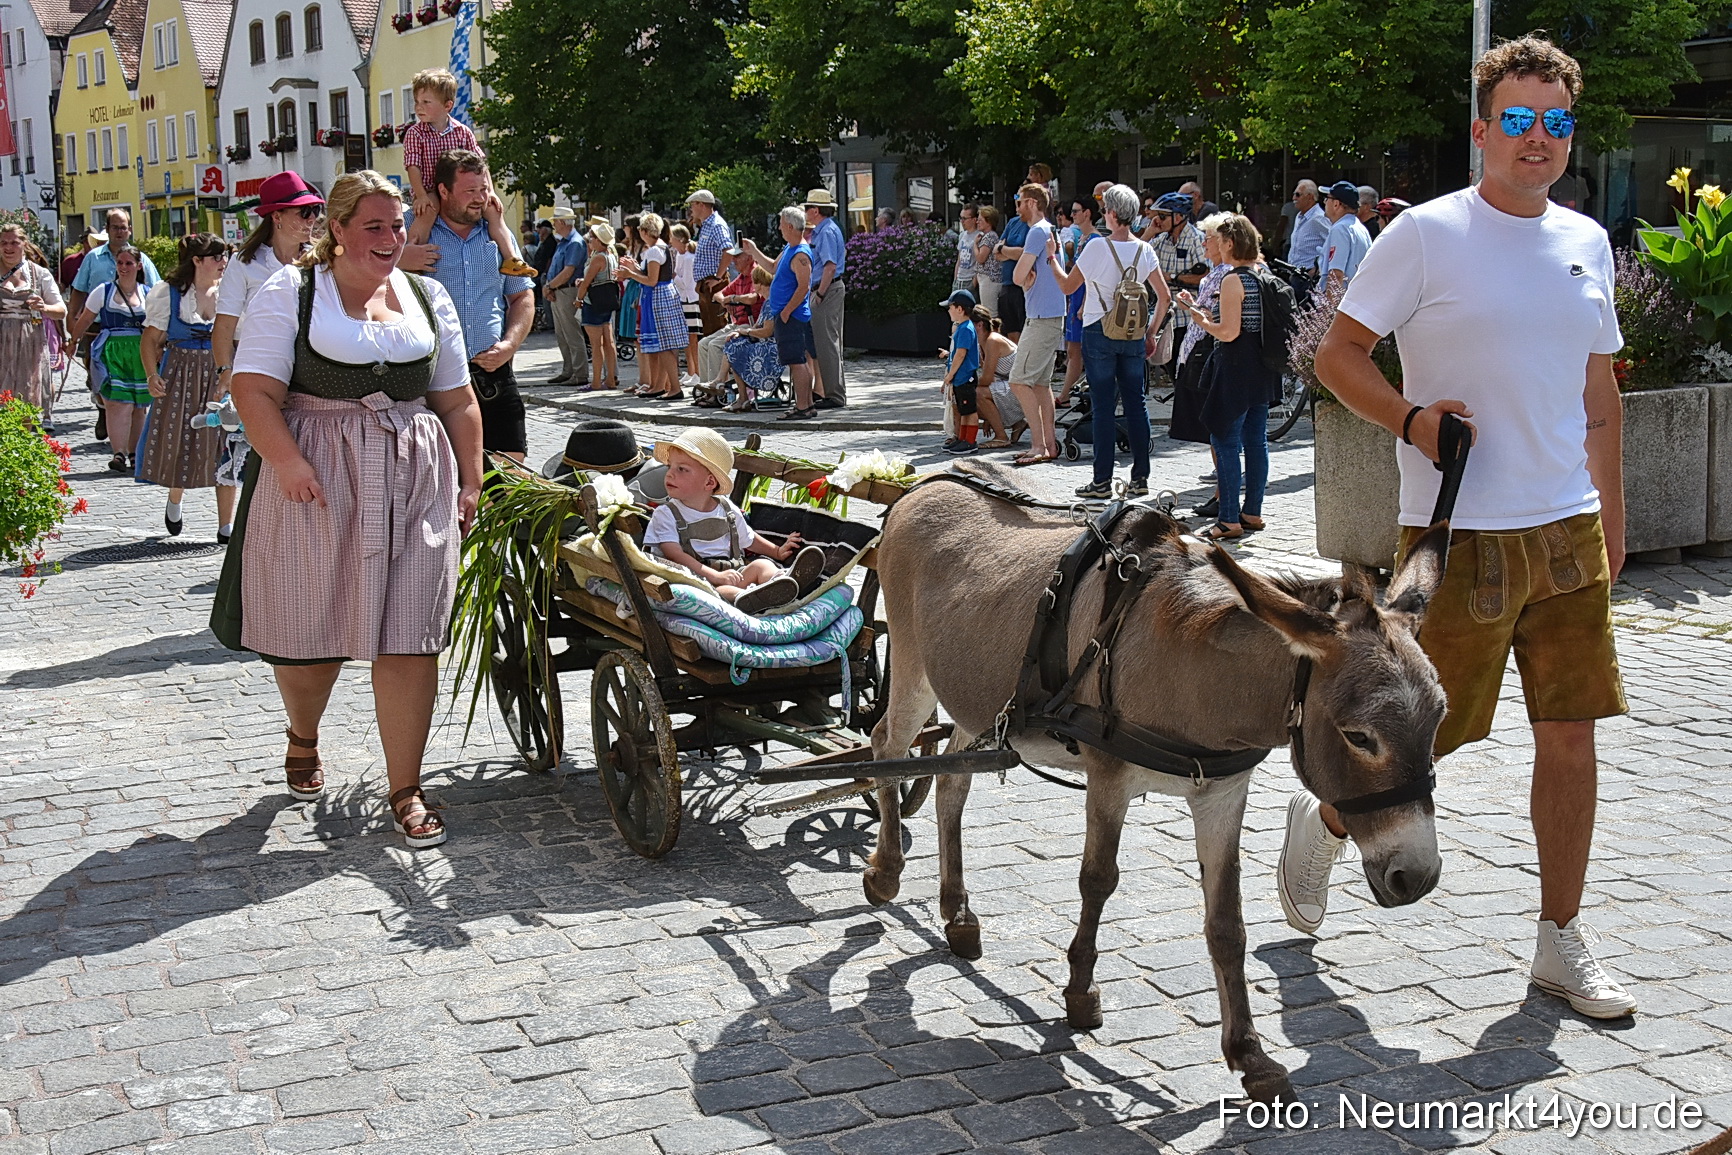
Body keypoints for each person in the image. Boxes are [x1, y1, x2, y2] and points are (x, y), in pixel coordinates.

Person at [1291, 36, 1635, 1021]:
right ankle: (1323, 818)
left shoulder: (1581, 242)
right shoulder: (1426, 237)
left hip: (1565, 529)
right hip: (1459, 537)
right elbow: (1338, 356)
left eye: (1555, 123)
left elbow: (1598, 395)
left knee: (1570, 740)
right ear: (1481, 130)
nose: (1537, 140)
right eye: (1517, 122)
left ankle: (1558, 943)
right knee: (1417, 742)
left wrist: (1611, 518)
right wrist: (1411, 420)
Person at [217, 169, 483, 851]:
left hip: (415, 475)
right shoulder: (293, 293)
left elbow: (455, 398)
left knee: (410, 632)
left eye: (397, 225)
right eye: (374, 226)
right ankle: (302, 734)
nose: (392, 239)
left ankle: (406, 787)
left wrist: (472, 480)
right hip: (321, 477)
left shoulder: (428, 295)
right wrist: (288, 462)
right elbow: (252, 391)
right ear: (335, 230)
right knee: (314, 635)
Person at [399, 150, 535, 459]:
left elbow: (522, 296)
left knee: (511, 471)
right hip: (431, 376)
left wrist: (510, 344)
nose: (480, 198)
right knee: (445, 476)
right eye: (470, 191)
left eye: (484, 189)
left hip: (492, 371)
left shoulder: (497, 233)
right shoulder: (412, 227)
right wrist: (403, 257)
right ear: (443, 191)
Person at [212, 172, 325, 542]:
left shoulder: (322, 260)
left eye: (314, 212)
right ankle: (259, 537)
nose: (311, 221)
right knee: (263, 456)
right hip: (261, 371)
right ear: (276, 217)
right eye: (303, 213)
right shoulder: (246, 264)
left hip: (312, 368)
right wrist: (226, 371)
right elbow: (224, 327)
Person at [1050, 183, 1172, 499]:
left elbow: (1066, 287)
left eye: (1105, 209)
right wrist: (1151, 332)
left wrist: (1052, 259)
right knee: (1136, 404)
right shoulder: (1146, 250)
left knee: (1103, 406)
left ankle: (1102, 481)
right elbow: (1164, 296)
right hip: (1133, 334)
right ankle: (1140, 477)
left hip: (1098, 331)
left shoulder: (1096, 247)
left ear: (1113, 214)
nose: (1103, 213)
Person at [645, 428, 825, 614]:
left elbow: (749, 538)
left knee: (761, 565)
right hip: (698, 581)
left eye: (681, 469)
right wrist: (715, 577)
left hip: (732, 571)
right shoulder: (666, 514)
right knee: (722, 592)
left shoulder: (725, 508)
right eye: (670, 467)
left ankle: (784, 584)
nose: (670, 474)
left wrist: (777, 552)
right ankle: (752, 598)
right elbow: (674, 554)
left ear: (709, 483)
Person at [1175, 214, 1276, 539]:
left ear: (1230, 243)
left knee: (1225, 439)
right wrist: (1203, 314)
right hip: (1262, 366)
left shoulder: (1233, 280)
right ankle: (1253, 512)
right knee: (1256, 441)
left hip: (1235, 367)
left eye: (1219, 240)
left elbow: (1229, 333)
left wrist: (1201, 322)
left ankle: (1229, 518)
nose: (1215, 245)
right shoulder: (1262, 274)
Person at [137, 234, 230, 537]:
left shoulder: (230, 293)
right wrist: (152, 375)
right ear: (197, 261)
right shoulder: (170, 294)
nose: (223, 262)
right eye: (216, 256)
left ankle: (225, 524)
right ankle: (175, 498)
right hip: (181, 372)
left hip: (220, 372)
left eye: (225, 255)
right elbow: (150, 340)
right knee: (182, 439)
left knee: (226, 442)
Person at [400, 68, 533, 278]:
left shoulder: (462, 131)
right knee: (426, 213)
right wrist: (421, 195)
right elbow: (413, 166)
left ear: (447, 105)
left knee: (494, 212)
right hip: (430, 187)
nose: (418, 107)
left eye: (426, 102)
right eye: (417, 101)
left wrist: (488, 191)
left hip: (460, 187)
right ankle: (414, 256)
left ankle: (510, 258)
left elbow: (480, 163)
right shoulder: (415, 134)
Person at [1169, 213, 1236, 517]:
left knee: (1216, 430)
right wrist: (1191, 303)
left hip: (1206, 353)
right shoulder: (1218, 273)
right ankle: (1223, 495)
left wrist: (1193, 308)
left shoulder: (1224, 274)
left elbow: (1212, 317)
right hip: (1202, 351)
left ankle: (1225, 498)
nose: (1203, 243)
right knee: (1215, 431)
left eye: (1207, 237)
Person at [67, 245, 151, 471]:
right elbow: (85, 319)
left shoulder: (148, 293)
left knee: (138, 406)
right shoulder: (103, 292)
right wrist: (73, 341)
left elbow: (157, 325)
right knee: (117, 404)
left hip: (140, 353)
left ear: (139, 265)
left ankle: (135, 453)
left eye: (129, 263)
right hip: (112, 351)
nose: (123, 267)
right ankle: (119, 454)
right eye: (120, 263)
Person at [1004, 183, 1066, 465]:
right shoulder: (1049, 230)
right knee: (1040, 384)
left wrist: (1025, 276)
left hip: (1041, 318)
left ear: (1030, 202)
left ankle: (1039, 446)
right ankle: (1048, 444)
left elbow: (1017, 276)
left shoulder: (1038, 231)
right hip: (1049, 316)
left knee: (1018, 381)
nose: (1016, 206)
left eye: (1018, 200)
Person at [741, 208, 818, 419]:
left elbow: (804, 287)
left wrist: (786, 312)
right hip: (788, 315)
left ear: (790, 227)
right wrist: (754, 251)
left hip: (793, 317)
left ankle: (802, 406)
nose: (779, 228)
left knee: (797, 361)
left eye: (781, 224)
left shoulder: (801, 253)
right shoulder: (790, 248)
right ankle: (806, 405)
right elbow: (773, 267)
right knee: (797, 360)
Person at [0, 223, 68, 432]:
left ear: (24, 244)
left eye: (14, 242)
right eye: (3, 242)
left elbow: (61, 310)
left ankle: (20, 450)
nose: (8, 247)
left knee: (25, 397)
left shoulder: (39, 274)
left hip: (29, 342)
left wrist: (44, 306)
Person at [617, 212, 683, 401]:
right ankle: (658, 385)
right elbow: (651, 275)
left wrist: (630, 273)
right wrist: (635, 268)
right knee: (658, 345)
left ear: (646, 231)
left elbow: (651, 280)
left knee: (663, 345)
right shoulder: (662, 248)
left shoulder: (655, 250)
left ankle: (672, 387)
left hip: (658, 297)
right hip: (661, 295)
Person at [1143, 191, 1207, 382]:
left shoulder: (1197, 239)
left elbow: (1206, 275)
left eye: (1162, 216)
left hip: (1189, 318)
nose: (1158, 221)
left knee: (1188, 375)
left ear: (1178, 216)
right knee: (1173, 372)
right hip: (1167, 318)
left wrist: (1171, 277)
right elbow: (1135, 253)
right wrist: (1149, 233)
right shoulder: (1161, 239)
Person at [804, 189, 848, 409]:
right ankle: (830, 392)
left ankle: (834, 395)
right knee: (826, 343)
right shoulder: (824, 230)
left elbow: (829, 266)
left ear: (815, 210)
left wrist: (819, 293)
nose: (805, 212)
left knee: (827, 344)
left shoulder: (827, 232)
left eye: (807, 208)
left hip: (827, 290)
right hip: (827, 289)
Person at [693, 247, 758, 393]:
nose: (733, 261)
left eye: (737, 257)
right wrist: (725, 301)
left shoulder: (756, 274)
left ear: (749, 259)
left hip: (752, 323)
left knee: (715, 345)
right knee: (703, 344)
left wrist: (733, 298)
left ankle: (718, 388)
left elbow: (753, 298)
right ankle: (707, 389)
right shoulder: (741, 277)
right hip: (738, 323)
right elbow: (717, 294)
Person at [1056, 196, 1098, 409]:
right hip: (1076, 296)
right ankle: (1070, 392)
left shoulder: (1094, 240)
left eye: (1076, 211)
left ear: (1087, 213)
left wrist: (1084, 305)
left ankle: (1068, 394)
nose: (1072, 215)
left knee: (1081, 349)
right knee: (1074, 349)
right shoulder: (1083, 239)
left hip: (1084, 298)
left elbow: (1093, 277)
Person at [718, 267, 781, 411]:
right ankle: (737, 394)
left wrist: (745, 331)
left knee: (735, 349)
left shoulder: (772, 302)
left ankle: (726, 386)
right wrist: (740, 333)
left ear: (760, 283)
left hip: (772, 347)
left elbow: (766, 332)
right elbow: (759, 326)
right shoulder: (767, 302)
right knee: (733, 343)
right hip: (764, 343)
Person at [540, 208, 589, 386]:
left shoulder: (575, 243)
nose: (553, 225)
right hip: (559, 291)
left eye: (555, 222)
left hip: (567, 291)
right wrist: (551, 287)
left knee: (572, 333)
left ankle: (580, 372)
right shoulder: (565, 242)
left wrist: (549, 286)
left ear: (562, 222)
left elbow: (568, 271)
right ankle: (569, 370)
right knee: (562, 334)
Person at [573, 222, 621, 392]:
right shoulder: (611, 256)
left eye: (592, 237)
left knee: (596, 345)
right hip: (607, 301)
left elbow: (587, 282)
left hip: (593, 303)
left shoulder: (598, 257)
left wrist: (578, 299)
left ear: (599, 240)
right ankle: (610, 379)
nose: (590, 240)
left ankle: (596, 382)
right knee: (609, 342)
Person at [937, 289, 983, 454]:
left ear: (960, 309)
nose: (949, 311)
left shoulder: (965, 329)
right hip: (960, 377)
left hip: (965, 377)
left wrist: (950, 375)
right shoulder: (962, 327)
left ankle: (970, 441)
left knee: (969, 410)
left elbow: (961, 354)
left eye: (951, 307)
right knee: (964, 410)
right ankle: (963, 439)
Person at [686, 189, 734, 336]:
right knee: (708, 329)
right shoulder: (707, 225)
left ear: (701, 205)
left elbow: (728, 250)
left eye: (693, 205)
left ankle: (719, 359)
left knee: (717, 328)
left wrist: (718, 277)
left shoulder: (716, 225)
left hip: (714, 283)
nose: (691, 209)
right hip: (706, 284)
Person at [1321, 181, 1373, 291]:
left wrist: (1331, 307)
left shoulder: (1340, 229)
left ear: (1336, 204)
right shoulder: (1360, 228)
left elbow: (1336, 275)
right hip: (1356, 299)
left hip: (1342, 302)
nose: (1324, 202)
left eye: (1327, 198)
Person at [670, 223, 703, 386]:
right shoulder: (680, 256)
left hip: (691, 299)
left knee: (693, 338)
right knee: (687, 339)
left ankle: (697, 371)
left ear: (680, 239)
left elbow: (687, 282)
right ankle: (691, 371)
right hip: (683, 299)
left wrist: (674, 277)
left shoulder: (690, 258)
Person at [993, 197, 1029, 340]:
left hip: (1023, 286)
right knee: (1010, 328)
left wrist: (1004, 250)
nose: (1016, 207)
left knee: (1024, 329)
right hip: (1007, 284)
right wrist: (1011, 252)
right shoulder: (1013, 222)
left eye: (1019, 202)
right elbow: (996, 252)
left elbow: (1025, 253)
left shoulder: (1034, 226)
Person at [1286, 180, 1328, 288]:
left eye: (1298, 195)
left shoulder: (1319, 218)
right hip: (1295, 274)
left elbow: (1333, 243)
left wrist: (1318, 268)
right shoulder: (1299, 217)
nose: (1294, 198)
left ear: (1309, 197)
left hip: (1308, 277)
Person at [972, 206, 1003, 318]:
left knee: (990, 314)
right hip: (986, 279)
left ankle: (994, 334)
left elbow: (981, 258)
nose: (977, 222)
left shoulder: (989, 236)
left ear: (989, 221)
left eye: (980, 220)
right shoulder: (988, 236)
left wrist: (975, 245)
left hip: (989, 279)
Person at [954, 203, 982, 295]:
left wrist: (974, 282)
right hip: (960, 279)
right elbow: (959, 259)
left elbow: (980, 261)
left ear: (974, 219)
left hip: (970, 279)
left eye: (965, 218)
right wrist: (955, 279)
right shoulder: (962, 235)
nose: (962, 221)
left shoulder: (979, 236)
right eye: (961, 218)